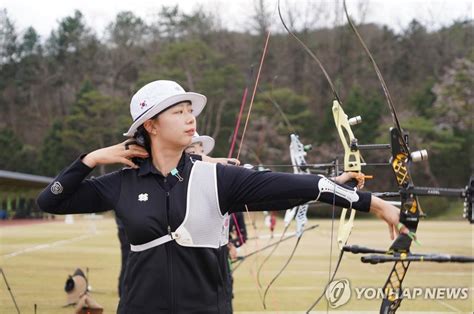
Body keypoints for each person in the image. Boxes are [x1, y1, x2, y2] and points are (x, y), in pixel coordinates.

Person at [37, 80, 408, 314]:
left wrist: (371, 202)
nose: (190, 119)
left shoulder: (217, 177)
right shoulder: (120, 183)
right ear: (150, 126)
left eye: (190, 111)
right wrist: (90, 160)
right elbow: (50, 201)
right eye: (178, 112)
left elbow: (299, 186)